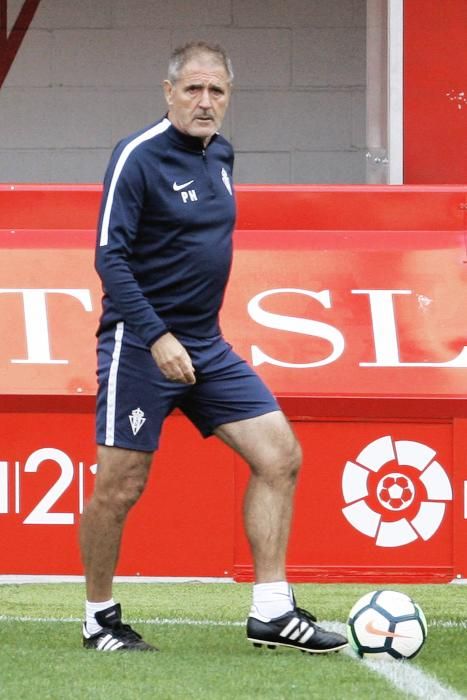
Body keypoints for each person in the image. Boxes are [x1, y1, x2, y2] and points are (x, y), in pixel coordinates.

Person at [80, 40, 347, 655]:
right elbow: (110, 258)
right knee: (118, 487)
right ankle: (100, 618)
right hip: (140, 345)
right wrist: (158, 335)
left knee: (280, 455)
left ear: (229, 97)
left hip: (206, 345)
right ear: (169, 92)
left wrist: (189, 337)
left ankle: (272, 612)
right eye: (193, 89)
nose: (205, 102)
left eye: (217, 91)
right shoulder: (137, 157)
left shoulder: (221, 154)